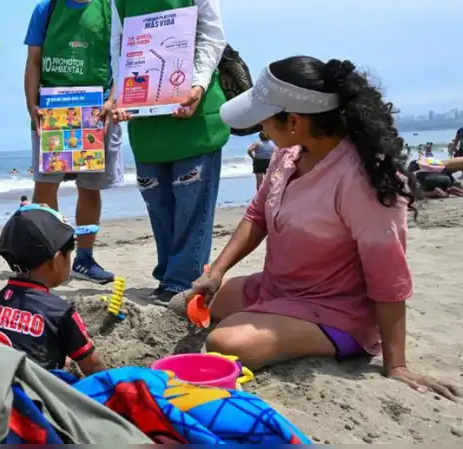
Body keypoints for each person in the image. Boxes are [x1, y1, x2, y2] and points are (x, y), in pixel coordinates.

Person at [185, 56, 458, 400]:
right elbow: (257, 216)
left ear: (295, 121)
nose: (261, 130)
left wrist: (396, 365)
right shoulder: (288, 155)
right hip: (280, 287)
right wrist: (217, 271)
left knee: (224, 341)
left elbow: (389, 277)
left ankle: (325, 340)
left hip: (337, 310)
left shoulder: (360, 180)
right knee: (195, 300)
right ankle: (269, 317)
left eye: (265, 121)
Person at [108, 0, 230, 304]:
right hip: (146, 120)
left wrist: (195, 86)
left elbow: (212, 39)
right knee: (159, 202)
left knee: (192, 205)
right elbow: (119, 53)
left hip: (192, 115)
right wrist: (117, 95)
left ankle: (180, 283)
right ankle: (169, 277)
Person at [25, 0, 122, 286]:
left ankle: (84, 257)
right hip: (52, 108)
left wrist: (114, 100)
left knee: (89, 188)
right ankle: (40, 257)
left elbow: (123, 62)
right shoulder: (47, 7)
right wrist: (31, 104)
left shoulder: (111, 6)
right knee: (45, 186)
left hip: (96, 109)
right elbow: (33, 60)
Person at [0, 204, 106, 375]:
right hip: (37, 396)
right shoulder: (59, 311)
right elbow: (94, 368)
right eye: (69, 253)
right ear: (57, 259)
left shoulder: (0, 299)